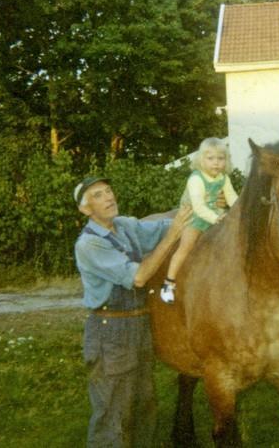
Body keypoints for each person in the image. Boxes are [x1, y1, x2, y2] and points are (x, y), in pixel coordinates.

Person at [73, 176, 191, 448]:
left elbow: (170, 226)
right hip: (110, 332)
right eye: (98, 195)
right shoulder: (89, 244)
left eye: (109, 191)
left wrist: (200, 207)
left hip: (138, 325)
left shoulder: (125, 226)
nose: (109, 198)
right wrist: (172, 237)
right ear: (85, 209)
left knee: (143, 406)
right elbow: (138, 277)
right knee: (114, 413)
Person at [160, 137, 238, 304]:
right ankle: (168, 283)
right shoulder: (196, 179)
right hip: (194, 217)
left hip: (214, 214)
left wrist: (240, 211)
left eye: (220, 158)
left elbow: (232, 198)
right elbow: (198, 206)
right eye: (210, 158)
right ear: (201, 160)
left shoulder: (223, 178)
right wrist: (217, 218)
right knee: (185, 248)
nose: (216, 163)